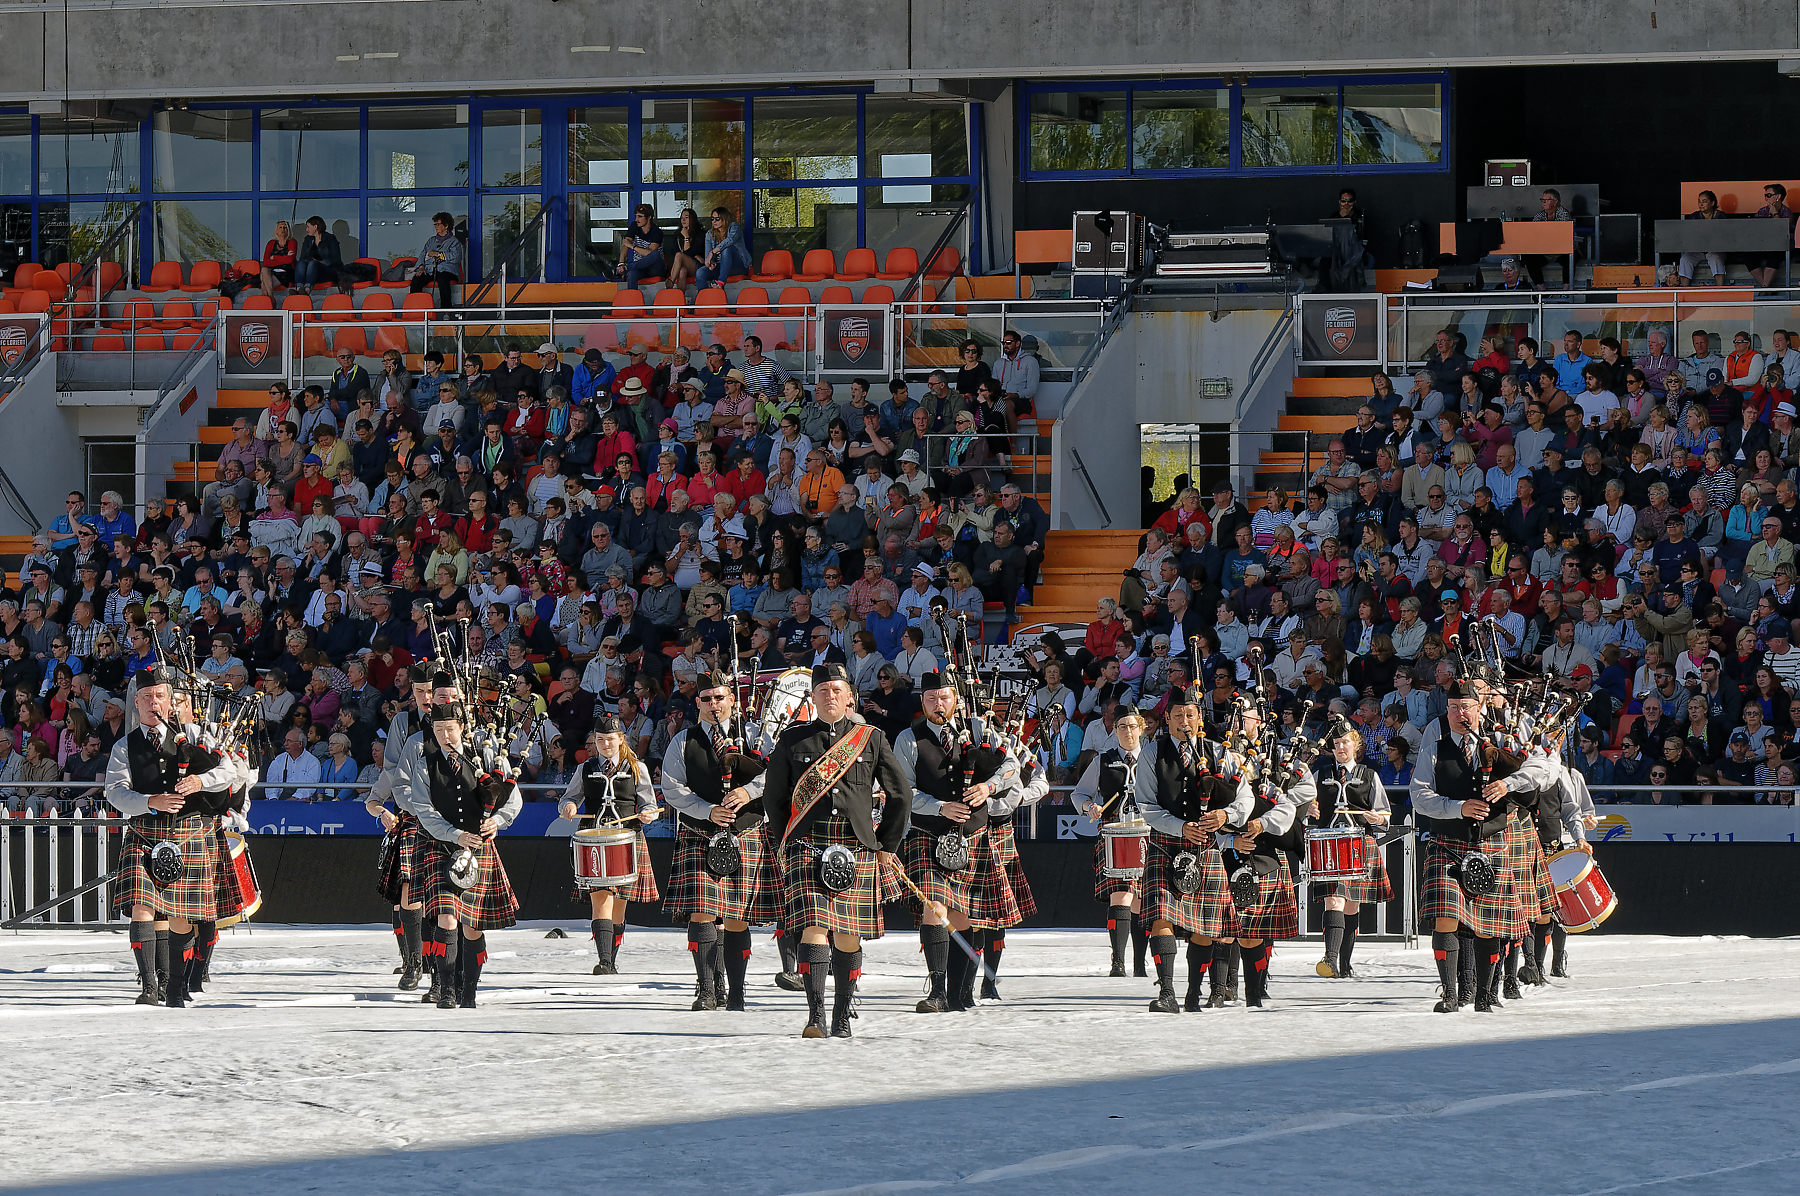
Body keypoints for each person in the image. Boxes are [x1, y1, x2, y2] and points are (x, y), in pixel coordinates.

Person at [760, 663, 912, 1039]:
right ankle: (815, 1016)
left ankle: (842, 1016)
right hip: (806, 844)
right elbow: (774, 797)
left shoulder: (871, 738)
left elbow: (900, 795)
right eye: (823, 690)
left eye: (837, 690)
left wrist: (886, 844)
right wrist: (787, 841)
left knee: (848, 935)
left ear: (850, 698)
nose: (830, 696)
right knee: (813, 926)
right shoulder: (791, 740)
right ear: (812, 698)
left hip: (856, 845)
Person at [1409, 680, 1557, 1012]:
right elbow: (1419, 796)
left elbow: (1542, 770)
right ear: (1446, 711)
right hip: (1448, 843)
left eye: (1466, 707)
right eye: (1453, 708)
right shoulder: (1435, 746)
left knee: (1489, 927)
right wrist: (1456, 807)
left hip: (1492, 843)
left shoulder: (1504, 739)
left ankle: (1486, 995)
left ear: (1479, 708)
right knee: (1445, 918)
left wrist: (1508, 782)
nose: (1460, 714)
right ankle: (1449, 993)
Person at [103, 666, 241, 1007]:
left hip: (186, 833)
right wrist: (150, 802)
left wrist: (199, 781)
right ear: (136, 703)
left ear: (171, 702)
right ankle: (150, 986)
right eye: (147, 697)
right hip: (145, 834)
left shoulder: (195, 736)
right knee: (142, 907)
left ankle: (177, 986)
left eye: (160, 697)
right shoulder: (125, 746)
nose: (154, 703)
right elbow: (114, 792)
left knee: (180, 915)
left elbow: (228, 772)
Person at [893, 672, 1021, 1013]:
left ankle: (960, 992)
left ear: (956, 700)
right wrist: (939, 807)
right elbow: (903, 790)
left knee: (965, 916)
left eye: (945, 697)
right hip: (928, 833)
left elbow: (1012, 765)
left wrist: (988, 787)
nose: (939, 704)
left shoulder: (978, 730)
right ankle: (937, 990)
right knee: (934, 907)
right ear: (923, 702)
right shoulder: (908, 738)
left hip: (974, 834)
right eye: (932, 698)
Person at [657, 672, 783, 1011]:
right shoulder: (683, 740)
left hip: (747, 833)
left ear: (733, 700)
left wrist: (748, 790)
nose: (714, 704)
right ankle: (708, 988)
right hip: (700, 834)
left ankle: (738, 991)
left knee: (737, 917)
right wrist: (707, 809)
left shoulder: (756, 735)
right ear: (697, 703)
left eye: (720, 698)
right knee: (702, 913)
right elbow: (672, 788)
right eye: (707, 699)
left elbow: (777, 772)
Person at [400, 687, 525, 1010]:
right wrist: (454, 835)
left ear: (462, 729)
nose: (444, 736)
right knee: (447, 919)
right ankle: (447, 989)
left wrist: (498, 821)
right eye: (439, 730)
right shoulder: (425, 765)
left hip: (479, 847)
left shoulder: (485, 757)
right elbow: (424, 810)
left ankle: (468, 988)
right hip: (441, 847)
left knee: (472, 926)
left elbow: (513, 797)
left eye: (450, 730)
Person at [557, 717, 660, 975]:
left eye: (610, 739)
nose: (604, 744)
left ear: (621, 739)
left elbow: (648, 802)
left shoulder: (637, 767)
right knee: (601, 898)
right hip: (593, 839)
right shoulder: (585, 768)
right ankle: (603, 961)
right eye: (599, 739)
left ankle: (611, 959)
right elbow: (570, 797)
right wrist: (568, 806)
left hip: (628, 838)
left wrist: (648, 813)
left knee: (620, 905)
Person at [364, 664, 432, 994]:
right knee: (407, 892)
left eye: (432, 691)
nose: (427, 698)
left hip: (450, 820)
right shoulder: (403, 724)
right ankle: (413, 962)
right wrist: (380, 805)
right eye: (420, 692)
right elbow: (392, 771)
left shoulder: (458, 724)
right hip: (413, 817)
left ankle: (438, 960)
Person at [1311, 720, 1391, 980]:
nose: (1340, 748)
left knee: (1351, 907)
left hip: (1358, 843)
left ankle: (1344, 964)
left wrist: (1377, 819)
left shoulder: (1369, 775)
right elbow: (1305, 802)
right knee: (1333, 900)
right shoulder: (1320, 773)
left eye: (1345, 742)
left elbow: (1384, 813)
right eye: (1336, 744)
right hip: (1328, 844)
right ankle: (1330, 959)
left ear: (1356, 745)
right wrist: (1308, 809)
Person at [697, 206, 750, 288]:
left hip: (738, 266)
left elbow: (730, 240)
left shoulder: (734, 227)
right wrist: (712, 263)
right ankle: (704, 298)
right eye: (712, 219)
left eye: (717, 219)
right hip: (720, 267)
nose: (714, 221)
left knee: (726, 249)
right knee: (700, 272)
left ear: (724, 219)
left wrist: (712, 252)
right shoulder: (709, 234)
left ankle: (720, 282)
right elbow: (708, 257)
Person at [616, 203, 666, 288]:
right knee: (632, 273)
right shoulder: (634, 226)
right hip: (639, 268)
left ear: (649, 217)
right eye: (636, 216)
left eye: (640, 216)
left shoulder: (657, 232)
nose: (636, 219)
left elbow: (649, 253)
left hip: (655, 268)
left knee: (655, 254)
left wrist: (632, 246)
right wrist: (621, 263)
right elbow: (625, 244)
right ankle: (633, 300)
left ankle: (627, 268)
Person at [293, 215, 343, 295]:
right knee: (301, 263)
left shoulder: (330, 238)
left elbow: (336, 259)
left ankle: (307, 290)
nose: (306, 230)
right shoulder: (308, 239)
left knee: (314, 263)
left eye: (308, 227)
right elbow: (303, 257)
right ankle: (299, 289)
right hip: (311, 272)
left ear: (315, 227)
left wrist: (321, 262)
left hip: (328, 271)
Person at [258, 218, 299, 297]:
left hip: (286, 272)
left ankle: (268, 299)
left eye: (285, 227)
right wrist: (284, 258)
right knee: (264, 269)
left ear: (288, 230)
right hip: (272, 271)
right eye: (280, 227)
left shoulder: (292, 242)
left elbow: (290, 260)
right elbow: (266, 262)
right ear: (276, 230)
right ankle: (270, 296)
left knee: (264, 285)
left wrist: (274, 257)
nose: (283, 229)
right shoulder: (271, 243)